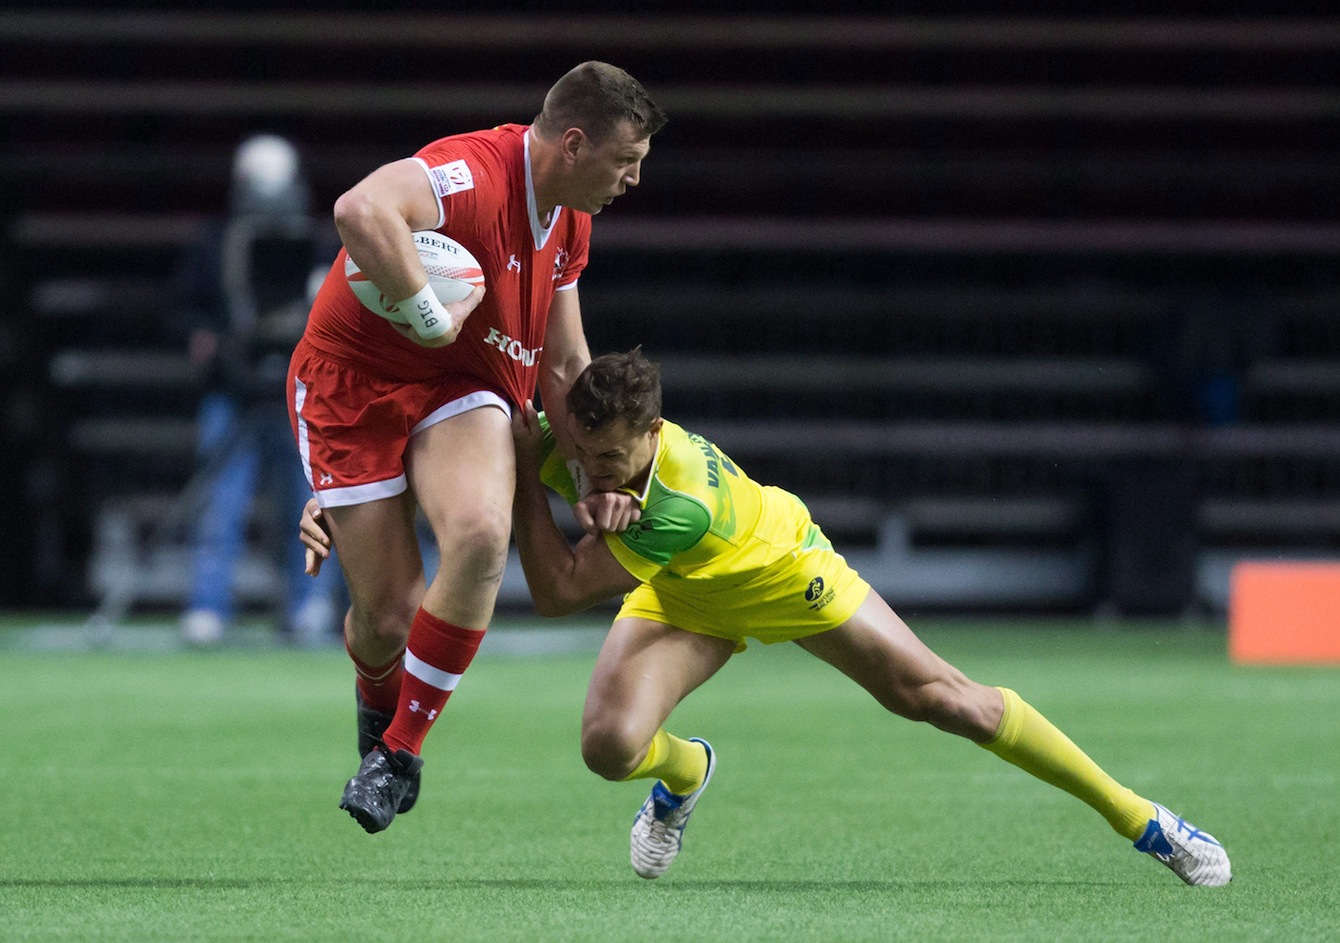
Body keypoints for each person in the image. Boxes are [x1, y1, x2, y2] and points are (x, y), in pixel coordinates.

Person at [306, 348, 1232, 884]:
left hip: (782, 575)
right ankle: (687, 773)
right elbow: (457, 463)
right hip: (682, 595)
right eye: (588, 456)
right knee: (608, 747)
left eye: (619, 460)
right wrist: (343, 506)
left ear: (655, 435)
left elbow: (549, 592)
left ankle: (1144, 820)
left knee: (948, 701)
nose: (601, 473)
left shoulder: (672, 499)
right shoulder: (580, 446)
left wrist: (525, 491)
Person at [287, 63, 666, 833]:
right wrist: (428, 312)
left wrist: (598, 475)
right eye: (626, 160)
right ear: (572, 142)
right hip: (352, 385)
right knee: (388, 614)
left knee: (482, 531)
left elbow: (563, 364)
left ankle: (398, 751)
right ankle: (375, 697)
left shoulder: (570, 218)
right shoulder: (472, 174)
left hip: (462, 383)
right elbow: (359, 208)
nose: (632, 179)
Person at [175, 134, 345, 647]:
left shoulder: (320, 243)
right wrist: (201, 337)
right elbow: (181, 308)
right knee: (220, 505)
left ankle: (310, 602)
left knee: (314, 505)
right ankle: (209, 605)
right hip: (234, 391)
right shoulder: (213, 243)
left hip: (303, 397)